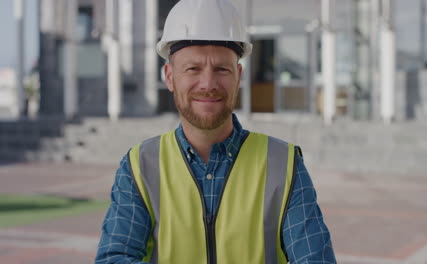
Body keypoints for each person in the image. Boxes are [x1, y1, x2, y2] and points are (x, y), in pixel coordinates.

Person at [95, 0, 336, 263]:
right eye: (193, 69)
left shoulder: (284, 164)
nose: (208, 84)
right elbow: (115, 257)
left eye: (221, 69)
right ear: (169, 76)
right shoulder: (140, 166)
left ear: (238, 76)